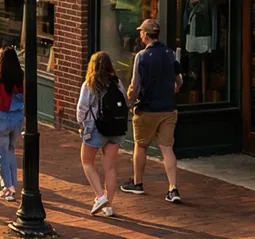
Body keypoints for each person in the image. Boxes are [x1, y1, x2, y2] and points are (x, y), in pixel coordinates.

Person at [124, 17, 183, 203]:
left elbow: (135, 85)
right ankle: (173, 189)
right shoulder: (170, 54)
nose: (140, 34)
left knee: (141, 145)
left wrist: (129, 102)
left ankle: (138, 183)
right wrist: (175, 87)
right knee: (167, 148)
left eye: (141, 31)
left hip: (147, 108)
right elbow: (179, 80)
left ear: (147, 35)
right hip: (168, 108)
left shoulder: (141, 57)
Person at [77, 50, 128, 218]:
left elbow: (82, 108)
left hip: (96, 128)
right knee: (110, 167)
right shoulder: (117, 82)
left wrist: (81, 124)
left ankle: (100, 197)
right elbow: (125, 103)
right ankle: (109, 206)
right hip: (116, 129)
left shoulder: (90, 84)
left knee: (87, 161)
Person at [0, 45, 26, 204]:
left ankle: (7, 187)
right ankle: (12, 185)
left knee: (1, 153)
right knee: (10, 150)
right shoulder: (21, 78)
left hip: (1, 118)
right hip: (17, 118)